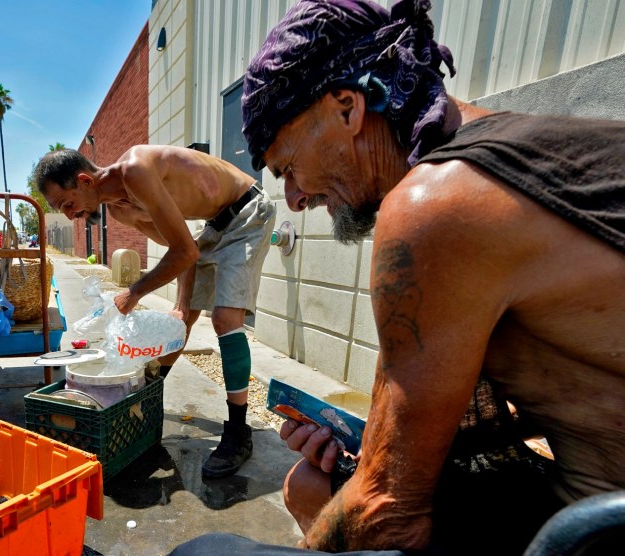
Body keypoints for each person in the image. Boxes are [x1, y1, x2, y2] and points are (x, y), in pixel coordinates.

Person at [220, 0, 623, 553]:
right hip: (592, 500)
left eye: (288, 166)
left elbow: (390, 511)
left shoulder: (436, 204)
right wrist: (363, 446)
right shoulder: (511, 150)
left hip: (594, 528)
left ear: (346, 108)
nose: (293, 198)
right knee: (316, 483)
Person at [34, 145, 276, 478]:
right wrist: (181, 308)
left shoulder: (136, 170)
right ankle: (148, 398)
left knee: (225, 320)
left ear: (85, 180)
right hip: (215, 226)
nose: (72, 215)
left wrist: (134, 292)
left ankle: (238, 432)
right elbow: (184, 248)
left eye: (68, 204)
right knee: (181, 323)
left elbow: (184, 251)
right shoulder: (122, 211)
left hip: (247, 211)